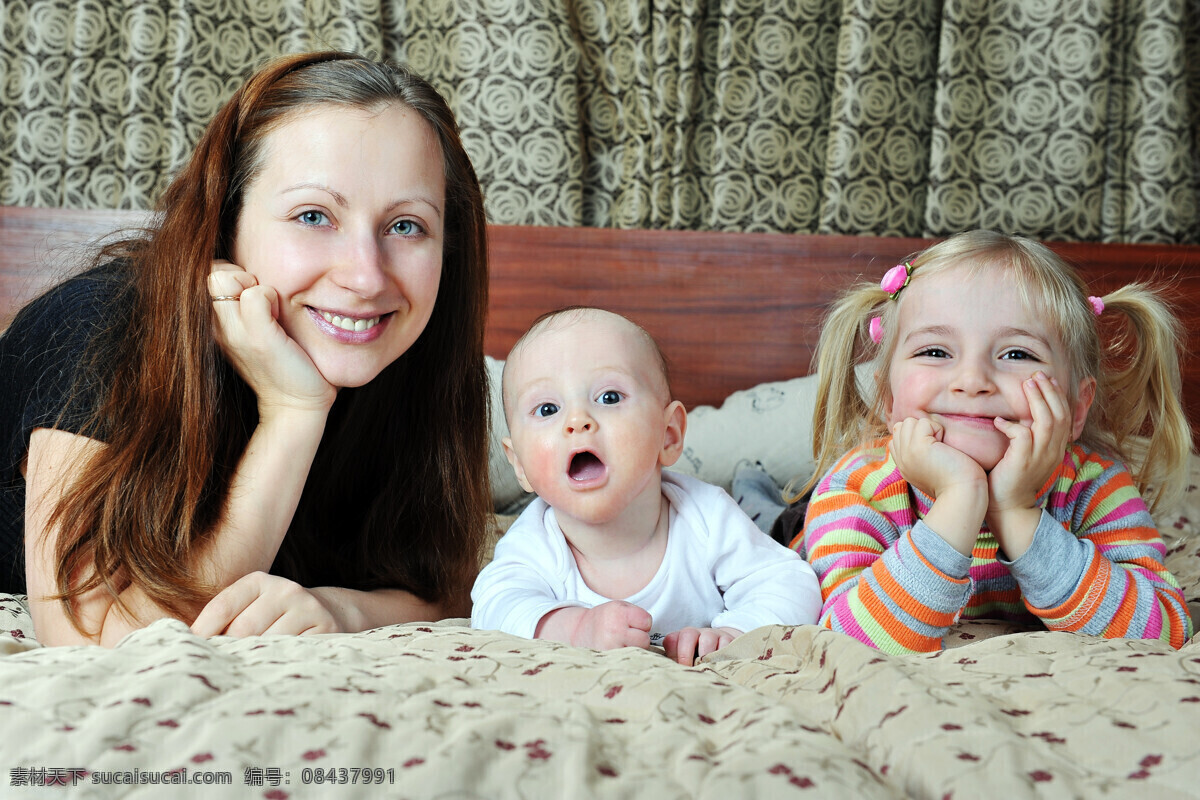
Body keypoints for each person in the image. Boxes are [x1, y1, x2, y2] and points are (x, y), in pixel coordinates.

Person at [0, 51, 492, 646]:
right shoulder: (96, 327)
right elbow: (94, 643)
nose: (367, 277)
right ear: (225, 222)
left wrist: (342, 611)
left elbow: (450, 582)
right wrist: (293, 414)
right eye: (313, 216)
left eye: (407, 226)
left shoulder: (415, 358)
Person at [790, 230, 1193, 654]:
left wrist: (1016, 512)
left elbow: (1163, 633)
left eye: (1017, 354)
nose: (972, 381)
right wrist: (959, 501)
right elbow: (845, 643)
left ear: (1077, 407)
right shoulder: (856, 489)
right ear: (889, 399)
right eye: (935, 351)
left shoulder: (1094, 486)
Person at [471, 307, 822, 665]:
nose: (577, 421)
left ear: (668, 435)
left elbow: (792, 581)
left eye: (609, 397)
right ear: (519, 464)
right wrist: (574, 629)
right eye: (547, 409)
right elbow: (493, 605)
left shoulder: (706, 516)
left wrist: (733, 632)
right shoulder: (534, 543)